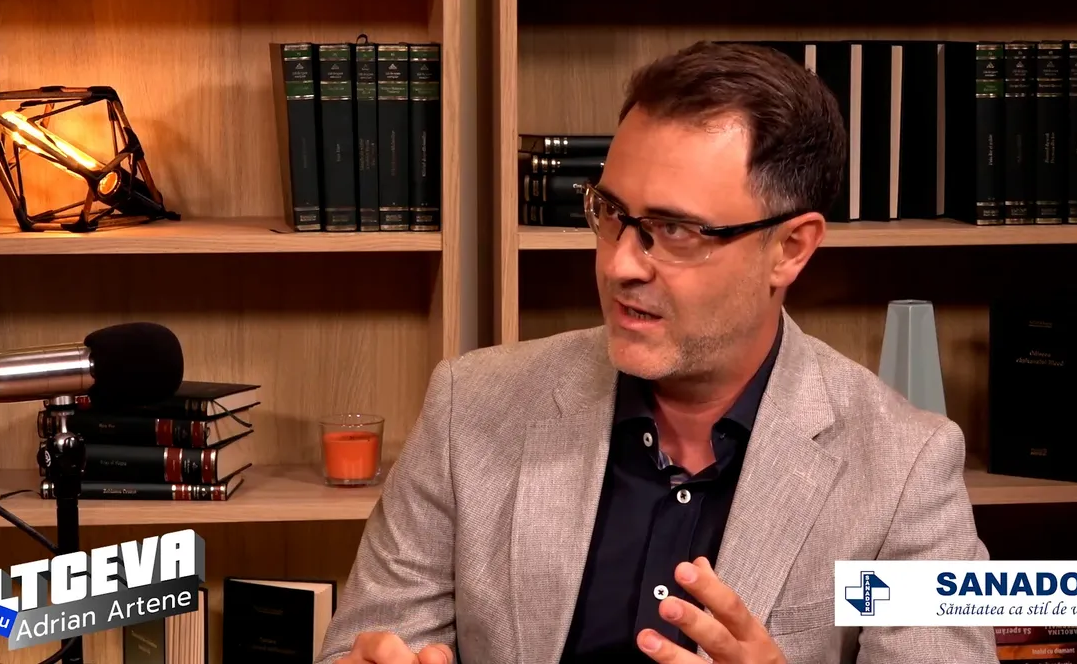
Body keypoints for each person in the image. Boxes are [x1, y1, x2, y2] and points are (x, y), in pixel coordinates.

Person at [315, 41, 997, 664]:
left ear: (791, 248)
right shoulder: (470, 407)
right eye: (612, 214)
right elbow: (365, 643)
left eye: (674, 230)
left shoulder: (905, 469)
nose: (620, 265)